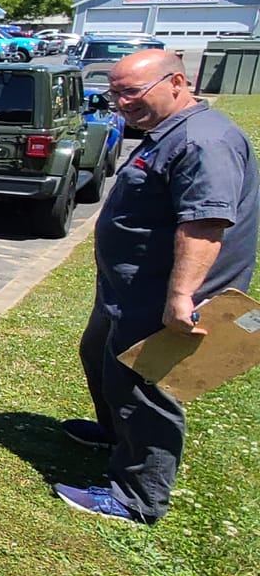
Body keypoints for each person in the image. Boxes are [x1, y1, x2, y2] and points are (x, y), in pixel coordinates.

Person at [54, 50, 258, 523]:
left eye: (131, 92)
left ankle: (137, 496)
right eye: (115, 93)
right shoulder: (167, 134)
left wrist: (181, 297)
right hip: (129, 288)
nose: (122, 103)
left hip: (161, 294)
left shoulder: (203, 142)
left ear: (177, 82)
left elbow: (205, 223)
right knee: (100, 354)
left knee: (143, 386)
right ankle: (116, 434)